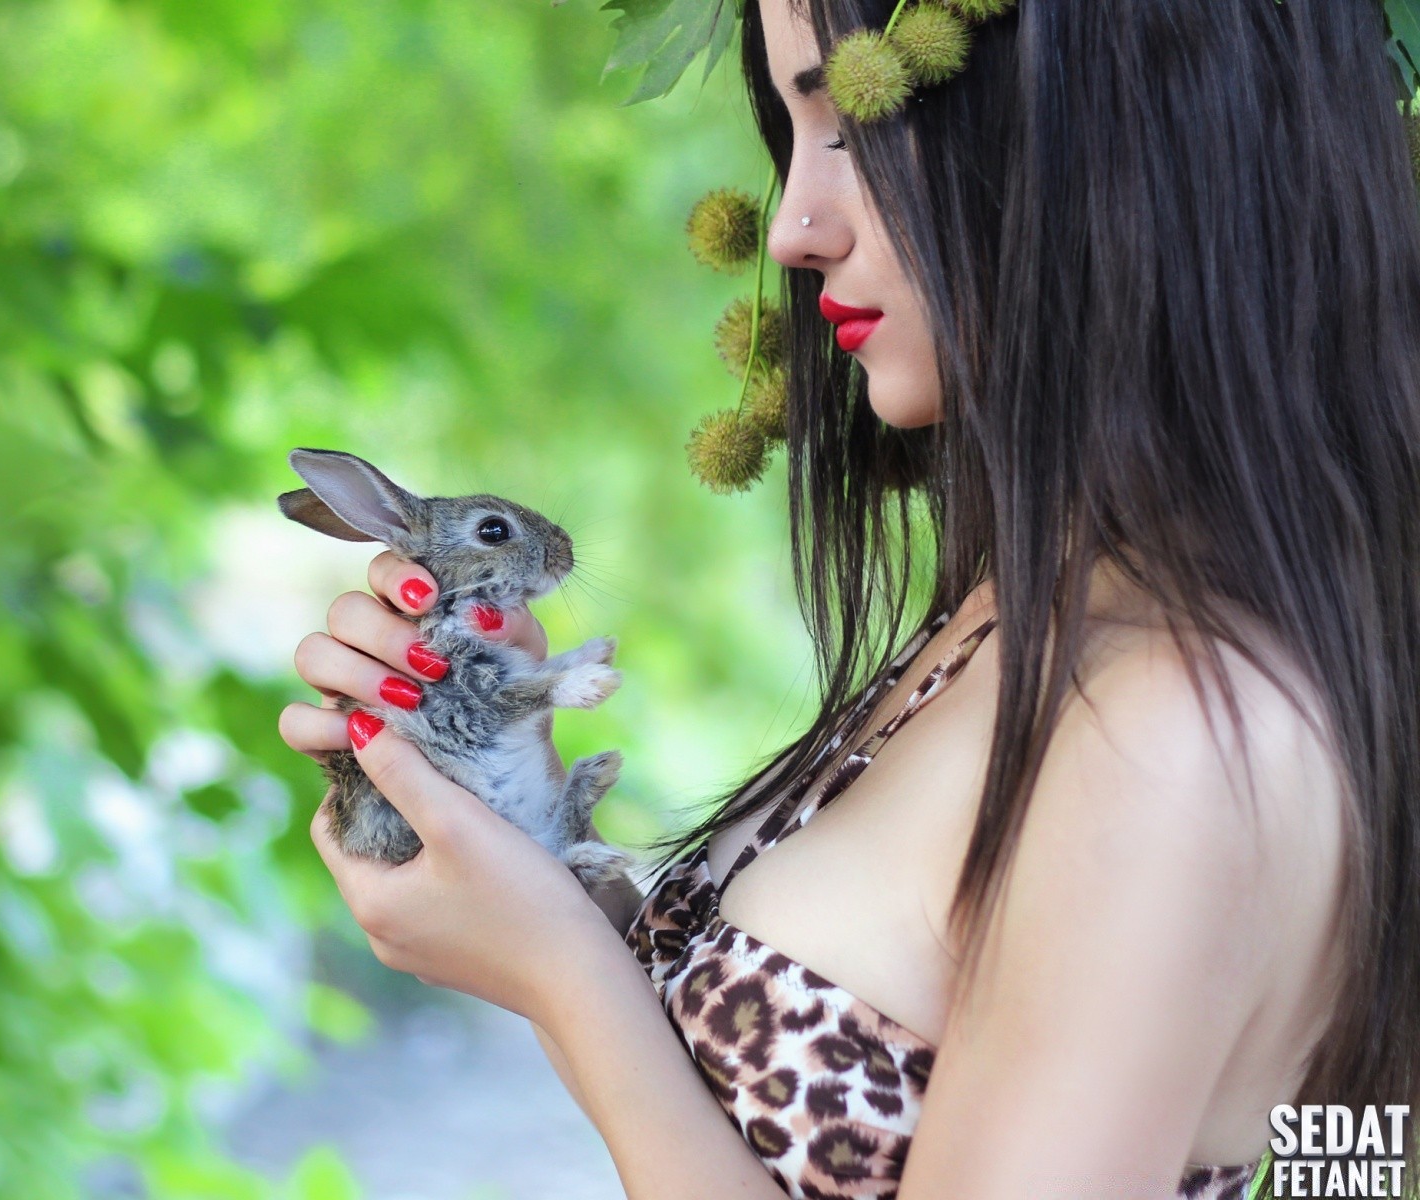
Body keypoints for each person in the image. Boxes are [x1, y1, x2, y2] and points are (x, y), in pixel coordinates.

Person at [276, 0, 1420, 1195]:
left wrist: (564, 978)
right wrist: (491, 795)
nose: (790, 229)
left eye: (859, 121)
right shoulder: (1025, 611)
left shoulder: (1169, 737)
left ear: (1118, 132)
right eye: (791, 131)